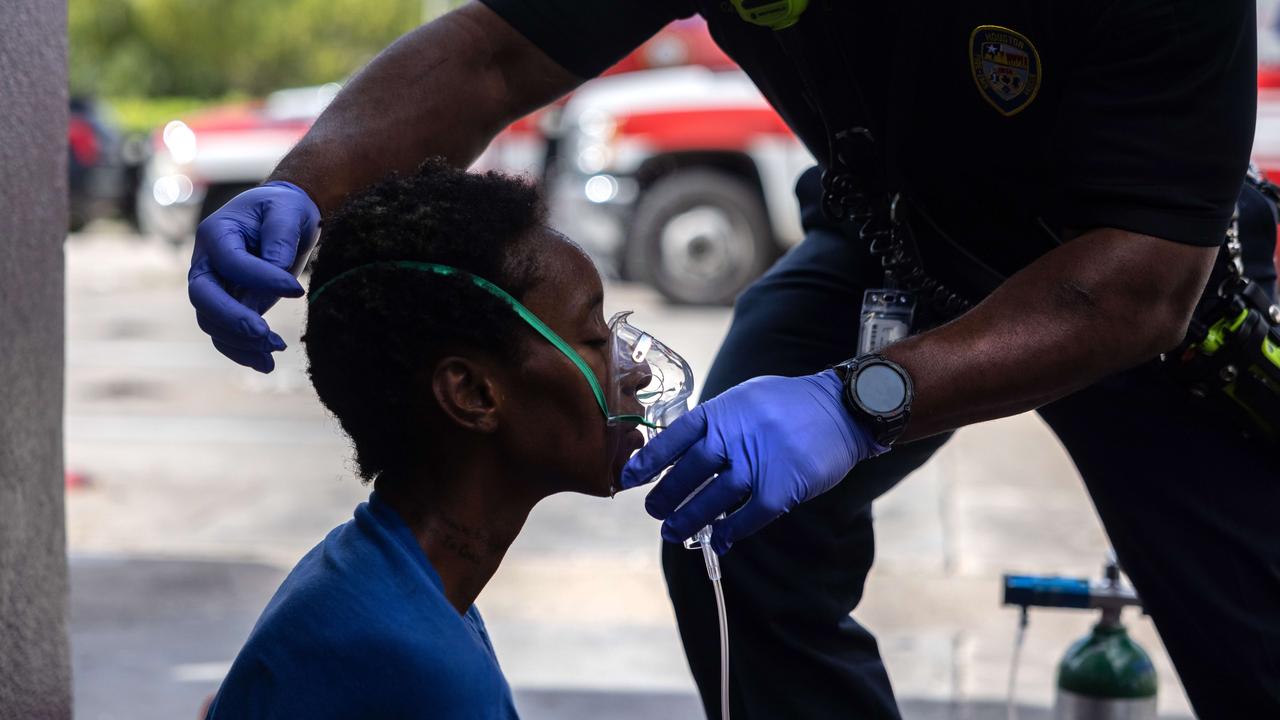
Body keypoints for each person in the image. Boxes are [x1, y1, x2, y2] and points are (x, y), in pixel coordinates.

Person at [187, 2, 1280, 717]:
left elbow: (1138, 283)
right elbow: (495, 48)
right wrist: (305, 183)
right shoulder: (392, 647)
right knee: (741, 529)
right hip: (894, 238)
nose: (623, 363)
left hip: (1136, 281)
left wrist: (860, 402)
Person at [204, 160, 675, 718]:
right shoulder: (411, 662)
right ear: (474, 393)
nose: (637, 372)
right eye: (595, 339)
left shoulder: (383, 575)